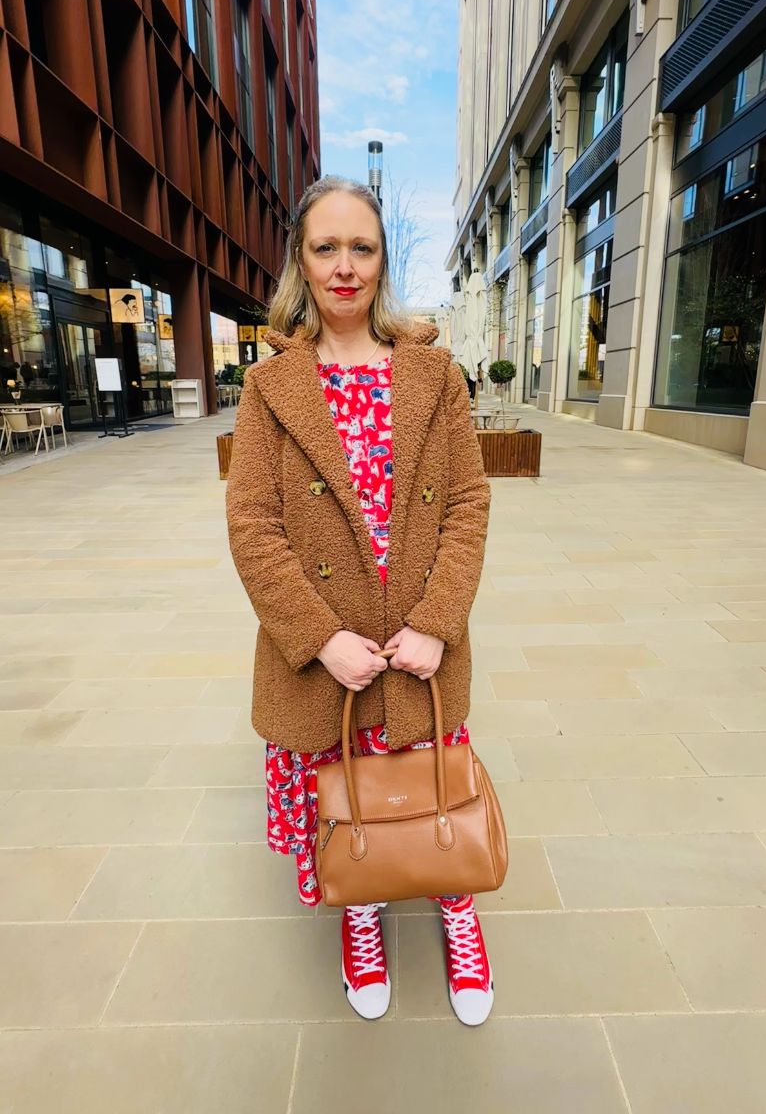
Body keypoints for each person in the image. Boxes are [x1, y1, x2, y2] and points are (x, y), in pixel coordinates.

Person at [225, 175, 493, 1026]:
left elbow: (467, 504)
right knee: (350, 811)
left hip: (416, 649)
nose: (345, 267)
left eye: (362, 248)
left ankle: (460, 920)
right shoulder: (273, 388)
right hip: (327, 660)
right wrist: (317, 637)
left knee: (433, 790)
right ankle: (363, 922)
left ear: (383, 261)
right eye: (325, 248)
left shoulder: (433, 376)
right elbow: (255, 529)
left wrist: (437, 623)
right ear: (301, 264)